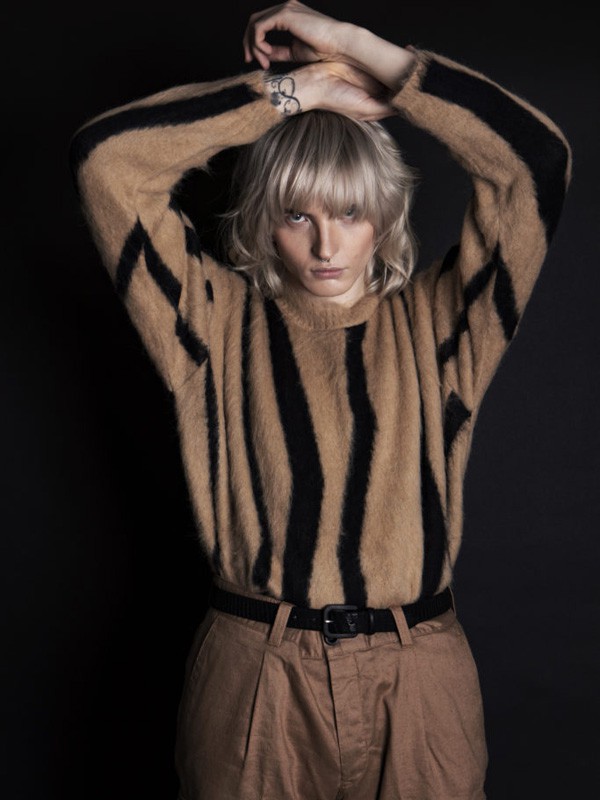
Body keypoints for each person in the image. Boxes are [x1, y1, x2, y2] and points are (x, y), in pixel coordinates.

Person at [69, 2, 572, 798]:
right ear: (264, 221)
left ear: (384, 216)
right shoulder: (210, 322)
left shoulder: (440, 325)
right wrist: (293, 92)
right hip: (256, 674)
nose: (326, 244)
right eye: (297, 215)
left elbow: (536, 163)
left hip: (418, 675)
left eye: (349, 213)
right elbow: (106, 162)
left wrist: (366, 54)